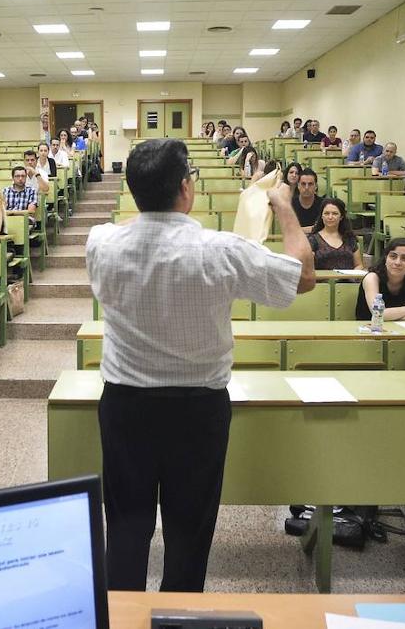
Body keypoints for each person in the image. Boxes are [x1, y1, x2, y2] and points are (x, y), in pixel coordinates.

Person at [85, 138, 313, 592]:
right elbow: (303, 276)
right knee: (188, 529)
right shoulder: (221, 250)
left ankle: (124, 617)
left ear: (132, 190)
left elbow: (135, 241)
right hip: (198, 410)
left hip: (125, 405)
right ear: (186, 188)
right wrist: (283, 205)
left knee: (126, 525)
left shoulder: (101, 242)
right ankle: (178, 618)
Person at [355, 238, 405, 321]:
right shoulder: (372, 278)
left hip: (398, 329)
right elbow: (379, 314)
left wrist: (394, 318)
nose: (397, 262)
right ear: (386, 259)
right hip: (367, 329)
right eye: (393, 257)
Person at [308, 198, 362, 270]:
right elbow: (308, 267)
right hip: (322, 280)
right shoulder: (313, 240)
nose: (330, 217)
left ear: (341, 217)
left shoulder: (349, 238)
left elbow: (359, 265)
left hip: (348, 280)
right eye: (326, 213)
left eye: (335, 213)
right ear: (321, 216)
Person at [293, 167, 325, 233]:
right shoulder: (289, 204)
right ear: (298, 186)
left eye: (310, 184)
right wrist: (314, 228)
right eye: (303, 184)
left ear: (316, 186)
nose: (306, 188)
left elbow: (326, 228)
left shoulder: (324, 205)